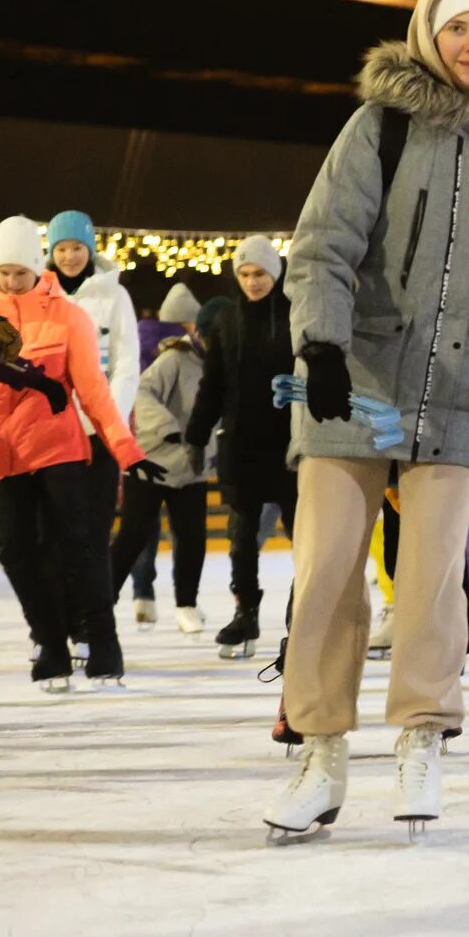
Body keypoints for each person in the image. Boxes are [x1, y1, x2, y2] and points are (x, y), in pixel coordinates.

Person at [263, 0, 469, 842]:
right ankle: (319, 750)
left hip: (468, 386)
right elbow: (322, 245)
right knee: (326, 571)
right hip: (357, 380)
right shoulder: (379, 125)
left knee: (433, 580)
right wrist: (317, 342)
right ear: (430, 35)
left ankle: (422, 736)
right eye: (459, 28)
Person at [0, 216, 153, 690]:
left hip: (57, 448)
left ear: (36, 266)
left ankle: (102, 640)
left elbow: (95, 391)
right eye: (4, 272)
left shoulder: (68, 316)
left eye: (21, 271)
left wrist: (125, 448)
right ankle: (50, 642)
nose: (13, 281)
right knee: (16, 551)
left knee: (76, 545)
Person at [185, 235, 297, 659]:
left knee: (304, 538)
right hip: (243, 446)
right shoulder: (227, 323)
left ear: (276, 273)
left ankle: (300, 617)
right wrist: (197, 435)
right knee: (242, 537)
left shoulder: (294, 316)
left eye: (260, 274)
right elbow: (212, 386)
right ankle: (245, 611)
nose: (253, 282)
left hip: (289, 447)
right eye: (246, 275)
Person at [44, 211, 139, 642]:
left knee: (95, 532)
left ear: (91, 249)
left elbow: (126, 365)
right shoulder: (38, 295)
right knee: (57, 531)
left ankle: (94, 626)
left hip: (98, 435)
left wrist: (107, 419)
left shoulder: (114, 297)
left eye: (77, 248)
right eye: (61, 248)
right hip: (50, 436)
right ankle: (59, 621)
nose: (69, 256)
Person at [113, 297, 212, 634]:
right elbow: (142, 390)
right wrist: (168, 427)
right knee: (132, 537)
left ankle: (187, 604)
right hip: (151, 461)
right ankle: (101, 604)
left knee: (192, 538)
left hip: (192, 464)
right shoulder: (174, 358)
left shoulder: (221, 363)